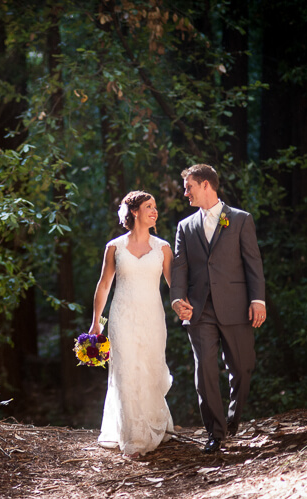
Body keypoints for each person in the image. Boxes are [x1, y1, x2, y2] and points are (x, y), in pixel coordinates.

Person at [170, 164, 266, 454]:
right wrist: (177, 300)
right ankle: (215, 433)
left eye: (189, 187)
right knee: (205, 371)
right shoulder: (185, 227)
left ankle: (233, 420)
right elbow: (180, 268)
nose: (185, 193)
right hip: (200, 311)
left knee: (242, 368)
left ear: (206, 185)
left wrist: (257, 299)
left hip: (237, 307)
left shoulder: (240, 220)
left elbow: (253, 262)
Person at [89, 190, 174, 457]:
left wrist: (183, 305)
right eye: (149, 206)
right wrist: (96, 324)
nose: (155, 211)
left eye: (156, 207)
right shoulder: (115, 247)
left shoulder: (163, 248)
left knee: (151, 368)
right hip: (122, 317)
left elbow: (174, 286)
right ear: (134, 211)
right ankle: (133, 438)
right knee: (125, 370)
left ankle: (157, 425)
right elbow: (104, 286)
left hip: (152, 317)